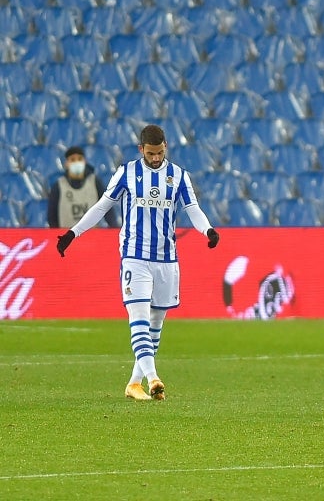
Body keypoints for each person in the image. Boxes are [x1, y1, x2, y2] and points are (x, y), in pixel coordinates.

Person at [56, 124, 220, 401]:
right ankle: (153, 377)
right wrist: (74, 232)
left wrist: (208, 230)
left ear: (165, 146)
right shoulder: (127, 173)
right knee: (139, 317)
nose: (156, 158)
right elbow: (102, 206)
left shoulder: (178, 176)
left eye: (159, 152)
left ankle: (134, 383)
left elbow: (193, 208)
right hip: (134, 255)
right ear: (141, 149)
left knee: (156, 322)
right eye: (151, 153)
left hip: (167, 259)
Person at [47, 145, 116, 228]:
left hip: (92, 236)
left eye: (80, 159)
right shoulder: (58, 186)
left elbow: (107, 209)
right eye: (72, 160)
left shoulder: (95, 182)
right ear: (66, 164)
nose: (77, 162)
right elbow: (52, 217)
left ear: (85, 162)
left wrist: (114, 230)